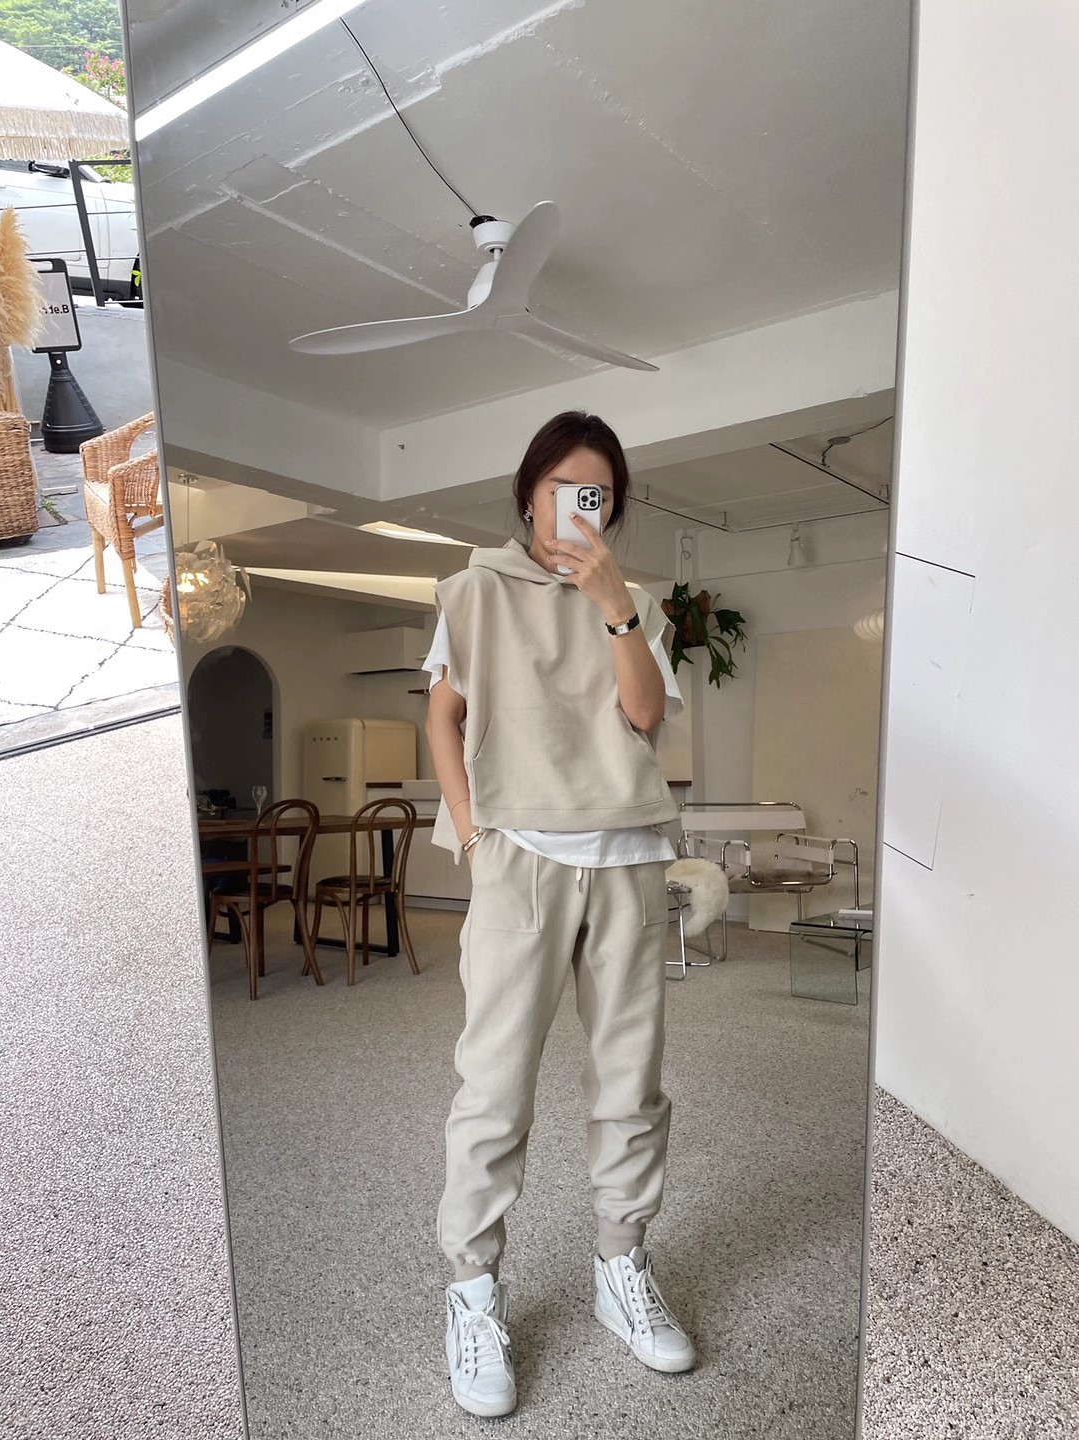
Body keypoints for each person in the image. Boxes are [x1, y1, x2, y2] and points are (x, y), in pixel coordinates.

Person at [424, 410, 695, 1418]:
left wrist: (616, 606)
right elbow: (443, 716)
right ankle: (472, 1292)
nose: (582, 508)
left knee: (631, 1082)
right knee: (493, 1088)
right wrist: (472, 832)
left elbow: (645, 715)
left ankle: (621, 1267)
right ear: (529, 491)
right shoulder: (472, 591)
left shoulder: (636, 600)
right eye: (565, 490)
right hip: (520, 858)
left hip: (627, 855)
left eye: (600, 496)